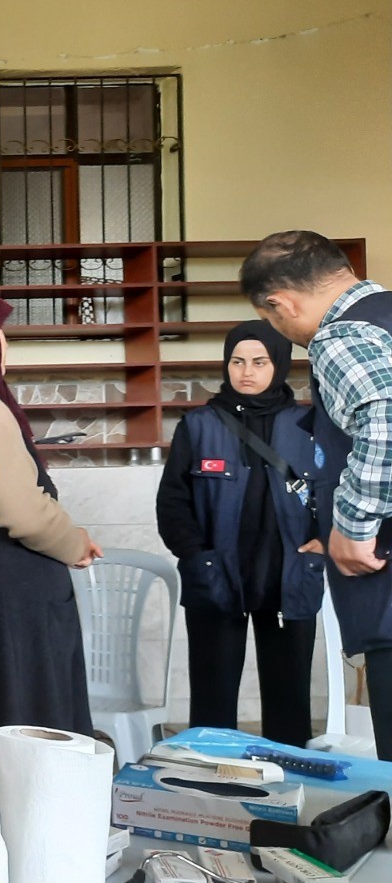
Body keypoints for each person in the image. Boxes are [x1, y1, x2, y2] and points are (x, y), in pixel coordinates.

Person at [240, 231, 389, 756]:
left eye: (274, 321)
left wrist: (353, 525)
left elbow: (385, 418)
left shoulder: (340, 337)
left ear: (280, 304)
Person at [0, 281, 100, 780]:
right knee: (31, 738)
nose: (4, 341)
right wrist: (74, 542)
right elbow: (22, 512)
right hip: (16, 605)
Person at [156, 321, 324, 746]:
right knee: (212, 710)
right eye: (237, 361)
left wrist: (323, 540)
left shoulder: (310, 425)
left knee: (290, 709)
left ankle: (289, 796)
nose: (246, 371)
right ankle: (211, 800)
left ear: (280, 364)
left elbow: (333, 489)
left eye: (259, 361)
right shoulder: (198, 425)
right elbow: (173, 502)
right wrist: (197, 556)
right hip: (216, 578)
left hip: (288, 577)